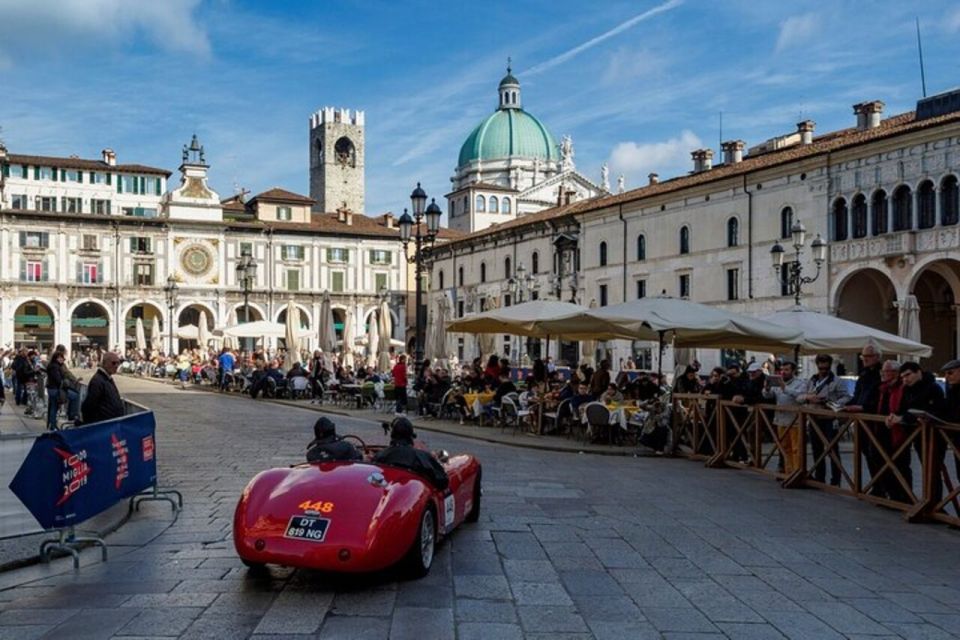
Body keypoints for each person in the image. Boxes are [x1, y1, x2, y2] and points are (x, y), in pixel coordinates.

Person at [886, 361, 945, 501]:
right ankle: (928, 502)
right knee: (927, 469)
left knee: (933, 471)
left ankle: (934, 505)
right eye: (903, 377)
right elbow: (903, 409)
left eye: (908, 375)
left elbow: (933, 410)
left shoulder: (933, 388)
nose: (905, 379)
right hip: (917, 435)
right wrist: (893, 417)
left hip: (934, 436)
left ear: (918, 372)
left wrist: (903, 418)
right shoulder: (907, 389)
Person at [802, 354, 852, 486]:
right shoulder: (811, 380)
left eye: (826, 368)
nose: (823, 370)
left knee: (833, 451)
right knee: (816, 449)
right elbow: (800, 396)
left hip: (829, 419)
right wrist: (808, 398)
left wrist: (832, 403)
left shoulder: (837, 380)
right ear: (817, 366)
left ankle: (836, 481)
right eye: (821, 368)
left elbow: (846, 397)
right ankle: (820, 477)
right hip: (814, 418)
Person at [374, 417, 448, 490]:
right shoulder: (421, 456)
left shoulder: (381, 455)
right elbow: (442, 482)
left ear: (392, 435)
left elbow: (372, 480)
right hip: (415, 498)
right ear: (411, 436)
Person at [762, 361, 806, 476]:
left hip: (794, 421)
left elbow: (800, 396)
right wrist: (766, 388)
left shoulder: (800, 383)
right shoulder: (778, 381)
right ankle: (788, 471)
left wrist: (784, 387)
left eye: (787, 370)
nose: (784, 372)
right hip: (780, 419)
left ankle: (797, 472)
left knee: (796, 448)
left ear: (793, 371)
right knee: (784, 448)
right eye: (782, 370)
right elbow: (768, 395)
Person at [80, 351, 124, 424]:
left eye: (118, 363)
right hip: (104, 426)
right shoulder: (98, 381)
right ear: (105, 363)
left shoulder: (107, 379)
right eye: (113, 363)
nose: (116, 366)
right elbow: (88, 406)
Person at [45, 349, 65, 430]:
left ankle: (50, 423)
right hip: (54, 389)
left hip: (51, 388)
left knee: (52, 406)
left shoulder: (52, 366)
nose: (62, 360)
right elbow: (58, 379)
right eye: (61, 358)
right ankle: (52, 425)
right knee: (54, 407)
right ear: (56, 358)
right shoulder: (55, 367)